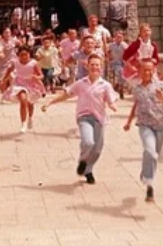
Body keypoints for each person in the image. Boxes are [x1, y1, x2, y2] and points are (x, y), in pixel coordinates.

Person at [42, 54, 118, 184]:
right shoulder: (81, 83)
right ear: (87, 66)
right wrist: (50, 103)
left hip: (99, 119)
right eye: (92, 64)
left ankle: (88, 170)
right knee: (88, 142)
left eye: (97, 65)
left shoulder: (105, 85)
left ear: (101, 67)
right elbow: (66, 95)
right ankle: (83, 161)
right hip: (84, 117)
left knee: (97, 149)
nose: (94, 67)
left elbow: (111, 100)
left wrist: (113, 106)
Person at [123, 59, 163, 202]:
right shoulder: (137, 89)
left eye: (150, 70)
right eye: (144, 70)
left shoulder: (161, 86)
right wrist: (129, 121)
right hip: (145, 125)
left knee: (153, 155)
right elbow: (136, 104)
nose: (147, 73)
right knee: (150, 152)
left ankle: (145, 173)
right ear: (140, 71)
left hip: (162, 125)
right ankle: (149, 182)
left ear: (154, 71)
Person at [2, 45, 45, 132]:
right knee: (23, 100)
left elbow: (41, 75)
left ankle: (30, 118)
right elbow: (9, 71)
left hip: (31, 84)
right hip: (19, 83)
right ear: (19, 55)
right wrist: (3, 80)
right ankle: (23, 124)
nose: (24, 56)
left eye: (26, 54)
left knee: (30, 103)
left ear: (29, 54)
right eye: (22, 55)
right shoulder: (15, 62)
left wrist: (37, 77)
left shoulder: (33, 63)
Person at [107, 29, 126, 96]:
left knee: (124, 74)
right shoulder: (111, 45)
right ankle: (119, 86)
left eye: (120, 37)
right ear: (114, 38)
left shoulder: (124, 45)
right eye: (117, 37)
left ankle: (118, 85)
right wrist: (109, 57)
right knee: (120, 71)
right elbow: (107, 52)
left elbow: (127, 54)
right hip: (114, 62)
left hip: (122, 63)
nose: (119, 39)